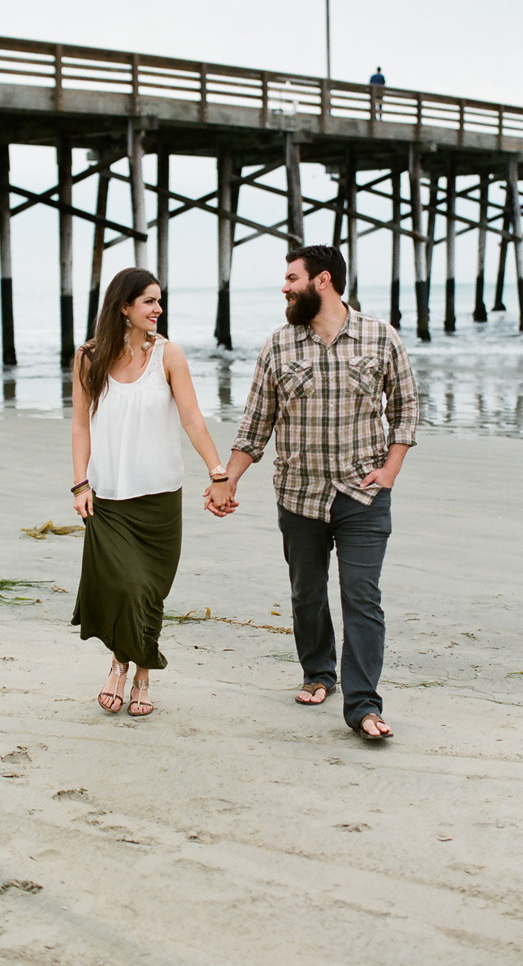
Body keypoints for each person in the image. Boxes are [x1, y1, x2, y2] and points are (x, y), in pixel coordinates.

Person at [207, 245, 418, 741]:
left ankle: (363, 704)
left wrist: (391, 470)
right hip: (299, 494)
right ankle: (318, 672)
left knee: (362, 597)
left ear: (322, 281)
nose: (284, 287)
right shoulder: (279, 345)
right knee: (307, 591)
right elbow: (256, 423)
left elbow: (406, 407)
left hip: (362, 494)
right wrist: (227, 477)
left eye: (291, 278)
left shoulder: (379, 336)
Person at [71, 267, 233, 716]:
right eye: (149, 301)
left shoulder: (169, 355)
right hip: (110, 498)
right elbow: (80, 425)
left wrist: (217, 471)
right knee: (126, 587)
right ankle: (121, 663)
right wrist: (80, 482)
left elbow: (192, 419)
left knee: (150, 592)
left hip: (160, 497)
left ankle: (137, 672)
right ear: (124, 307)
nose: (158, 309)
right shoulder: (88, 358)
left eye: (159, 301)